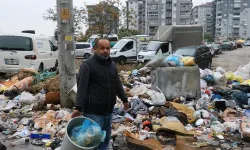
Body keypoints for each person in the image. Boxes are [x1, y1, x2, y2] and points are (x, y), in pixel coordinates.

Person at [71, 38, 129, 150]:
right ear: (95, 49)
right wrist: (78, 107)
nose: (105, 51)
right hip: (93, 112)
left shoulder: (112, 65)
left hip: (108, 111)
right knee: (92, 141)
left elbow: (117, 83)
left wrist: (124, 99)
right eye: (102, 48)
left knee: (105, 139)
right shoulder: (87, 65)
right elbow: (81, 87)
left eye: (108, 48)